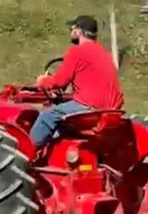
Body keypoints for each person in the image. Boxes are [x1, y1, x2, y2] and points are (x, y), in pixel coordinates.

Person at [32, 14, 125, 152]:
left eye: (72, 29)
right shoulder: (103, 53)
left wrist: (42, 81)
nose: (71, 32)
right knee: (63, 121)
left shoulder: (77, 51)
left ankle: (29, 152)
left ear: (79, 31)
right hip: (111, 108)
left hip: (90, 107)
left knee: (47, 116)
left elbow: (59, 81)